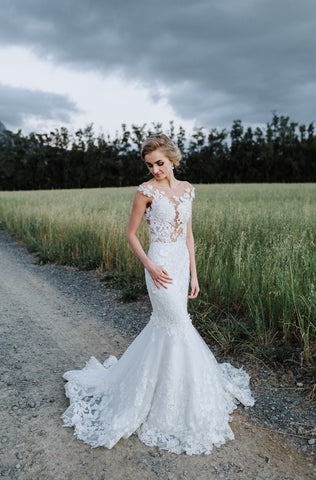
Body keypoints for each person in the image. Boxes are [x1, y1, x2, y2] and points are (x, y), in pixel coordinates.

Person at [62, 134, 254, 455]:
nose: (155, 170)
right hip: (159, 264)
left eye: (160, 163)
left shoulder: (188, 189)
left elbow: (189, 235)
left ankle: (176, 388)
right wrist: (150, 266)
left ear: (173, 159)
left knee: (173, 326)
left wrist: (194, 272)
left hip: (180, 262)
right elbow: (131, 234)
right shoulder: (145, 192)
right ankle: (171, 401)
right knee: (175, 323)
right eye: (150, 165)